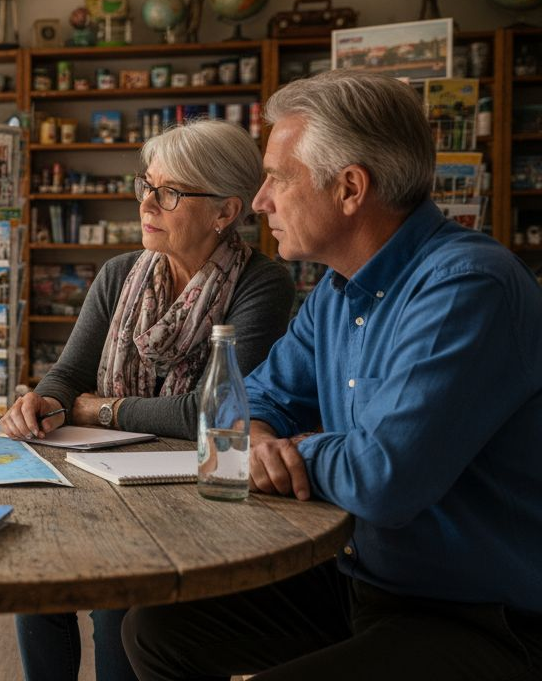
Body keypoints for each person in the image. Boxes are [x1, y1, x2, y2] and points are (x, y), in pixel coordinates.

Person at [122, 70, 542, 680]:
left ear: (349, 188)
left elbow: (384, 480)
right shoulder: (338, 291)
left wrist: (295, 449)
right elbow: (247, 401)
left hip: (479, 617)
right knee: (158, 630)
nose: (261, 201)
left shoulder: (466, 287)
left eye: (278, 178)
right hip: (364, 581)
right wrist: (261, 438)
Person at [0, 119, 295, 681]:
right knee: (35, 578)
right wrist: (45, 402)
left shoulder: (263, 284)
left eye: (170, 192)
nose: (148, 203)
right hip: (98, 474)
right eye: (147, 186)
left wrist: (100, 409)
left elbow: (211, 415)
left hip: (195, 496)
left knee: (120, 606)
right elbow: (68, 375)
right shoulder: (118, 275)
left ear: (225, 212)